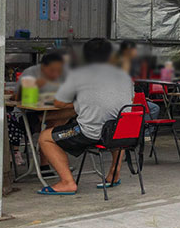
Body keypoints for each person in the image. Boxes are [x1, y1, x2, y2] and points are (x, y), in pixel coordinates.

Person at [37, 37, 134, 195]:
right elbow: (128, 100)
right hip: (123, 133)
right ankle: (113, 175)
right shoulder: (124, 75)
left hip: (91, 133)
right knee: (116, 130)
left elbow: (59, 102)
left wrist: (78, 103)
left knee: (45, 137)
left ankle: (67, 182)